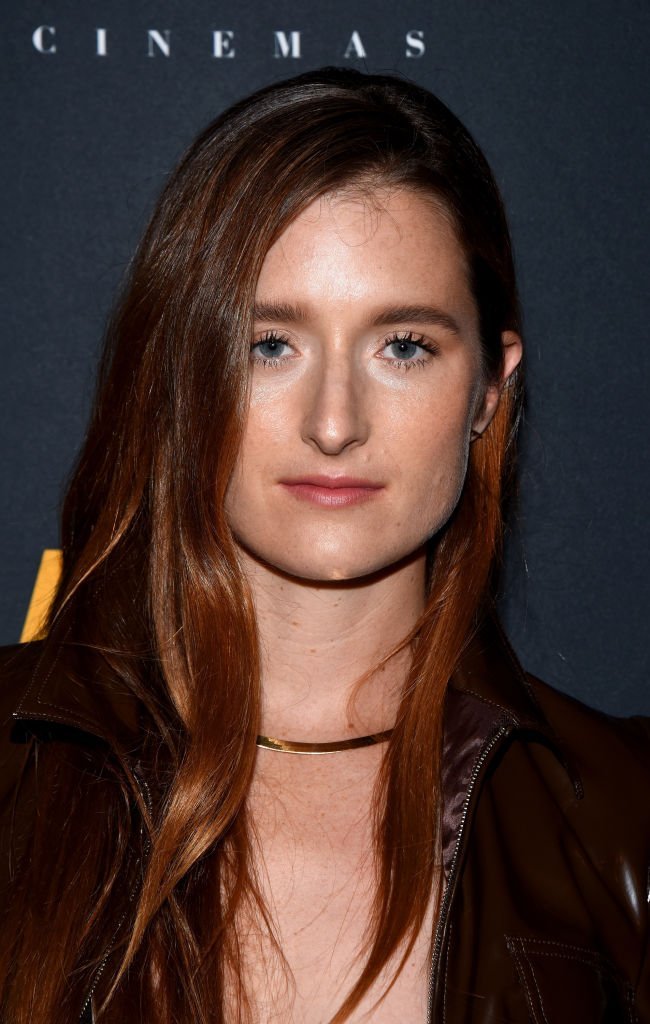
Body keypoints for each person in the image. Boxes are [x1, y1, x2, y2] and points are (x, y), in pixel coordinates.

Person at [0, 65, 648, 1024]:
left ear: (490, 393)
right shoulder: (15, 765)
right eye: (270, 344)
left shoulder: (625, 824)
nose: (333, 423)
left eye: (405, 346)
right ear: (181, 375)